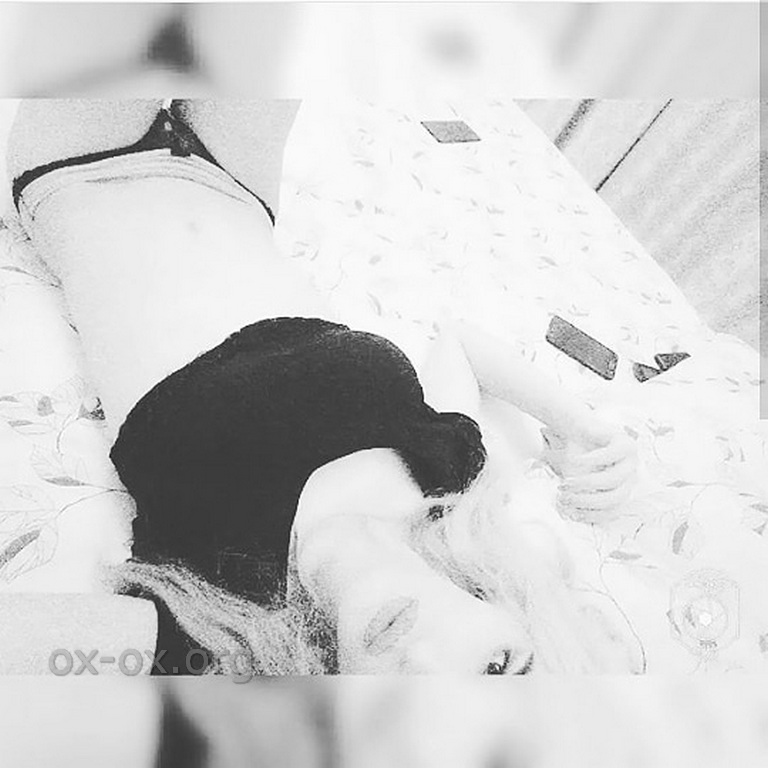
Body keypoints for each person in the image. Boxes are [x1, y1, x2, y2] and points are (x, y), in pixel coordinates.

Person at [7, 99, 639, 675]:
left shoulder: (224, 620)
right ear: (521, 618)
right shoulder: (444, 478)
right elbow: (461, 346)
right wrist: (581, 427)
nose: (425, 661)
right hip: (237, 181)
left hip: (83, 168)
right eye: (497, 668)